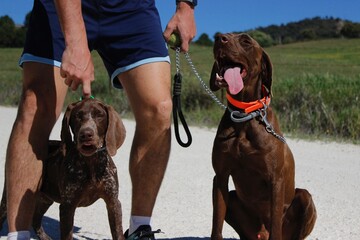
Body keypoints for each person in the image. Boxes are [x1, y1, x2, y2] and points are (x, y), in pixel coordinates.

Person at [5, 0, 197, 239]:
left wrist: (186, 6)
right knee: (36, 104)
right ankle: (18, 234)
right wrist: (75, 40)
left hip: (130, 8)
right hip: (58, 7)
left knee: (159, 108)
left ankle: (140, 228)